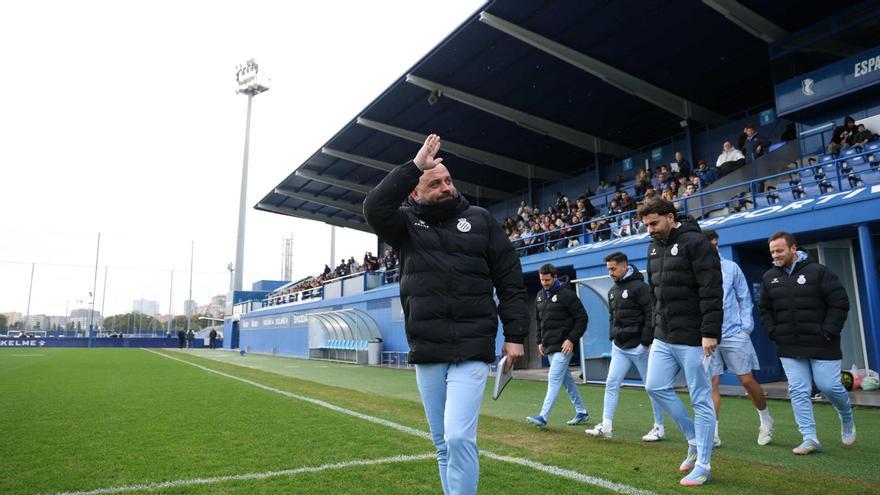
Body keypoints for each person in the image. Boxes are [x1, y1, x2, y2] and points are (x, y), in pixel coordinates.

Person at [363, 133, 528, 495]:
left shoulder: (481, 220)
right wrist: (413, 166)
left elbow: (511, 281)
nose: (445, 187)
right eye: (434, 183)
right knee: (441, 445)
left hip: (472, 345)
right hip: (429, 349)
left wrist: (515, 335)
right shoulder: (404, 225)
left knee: (457, 437)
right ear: (415, 192)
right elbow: (373, 208)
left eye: (448, 180)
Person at [639, 198, 722, 486]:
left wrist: (710, 332)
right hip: (664, 334)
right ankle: (694, 439)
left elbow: (711, 290)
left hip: (693, 336)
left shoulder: (696, 243)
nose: (649, 229)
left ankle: (704, 465)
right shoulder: (652, 247)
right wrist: (653, 330)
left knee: (700, 398)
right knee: (654, 386)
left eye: (654, 223)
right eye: (646, 225)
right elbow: (654, 294)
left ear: (670, 217)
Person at [758, 231, 854, 455]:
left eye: (779, 250)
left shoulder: (819, 272)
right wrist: (773, 332)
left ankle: (846, 416)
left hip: (822, 343)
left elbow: (839, 303)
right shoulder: (769, 277)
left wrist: (828, 332)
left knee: (828, 386)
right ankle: (810, 438)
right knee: (799, 391)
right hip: (789, 345)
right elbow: (764, 309)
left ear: (793, 248)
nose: (775, 255)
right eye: (772, 251)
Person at [703, 230, 774, 447]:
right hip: (707, 335)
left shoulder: (732, 268)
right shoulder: (694, 269)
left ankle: (766, 420)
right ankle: (712, 434)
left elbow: (745, 299)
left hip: (735, 333)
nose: (714, 247)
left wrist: (746, 328)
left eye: (716, 243)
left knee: (747, 381)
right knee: (711, 382)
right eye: (710, 244)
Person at [585, 252, 666, 441]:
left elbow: (651, 314)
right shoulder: (613, 290)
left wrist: (646, 341)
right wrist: (612, 336)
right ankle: (606, 426)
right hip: (620, 347)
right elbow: (613, 317)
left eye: (613, 269)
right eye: (608, 269)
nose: (610, 273)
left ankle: (659, 427)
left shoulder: (640, 287)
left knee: (652, 387)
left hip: (640, 347)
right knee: (611, 383)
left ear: (624, 266)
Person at [526, 264, 590, 429]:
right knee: (566, 381)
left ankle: (543, 417)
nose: (544, 283)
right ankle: (581, 411)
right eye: (542, 280)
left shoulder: (567, 295)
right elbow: (539, 321)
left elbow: (582, 318)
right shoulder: (540, 296)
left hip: (564, 347)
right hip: (549, 346)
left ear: (554, 277)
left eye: (547, 280)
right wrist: (539, 341)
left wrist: (571, 339)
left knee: (553, 379)